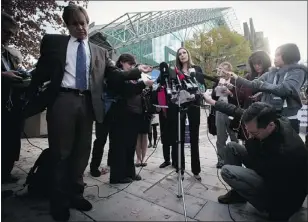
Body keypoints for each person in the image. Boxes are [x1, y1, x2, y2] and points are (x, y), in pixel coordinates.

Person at [26, 5, 152, 222]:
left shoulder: (100, 51)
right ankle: (59, 201)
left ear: (87, 21)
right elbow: (40, 72)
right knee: (61, 153)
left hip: (88, 103)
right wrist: (30, 94)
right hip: (62, 100)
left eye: (83, 23)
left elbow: (113, 76)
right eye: (75, 24)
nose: (81, 28)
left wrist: (136, 71)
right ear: (67, 25)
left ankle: (76, 194)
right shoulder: (54, 43)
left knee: (82, 152)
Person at [202, 93, 308, 221]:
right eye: (247, 131)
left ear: (270, 126)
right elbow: (235, 110)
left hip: (281, 191)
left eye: (254, 133)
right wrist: (212, 101)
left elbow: (283, 187)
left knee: (227, 171)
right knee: (232, 147)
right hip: (266, 166)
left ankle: (262, 204)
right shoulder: (266, 118)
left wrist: (277, 214)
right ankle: (238, 194)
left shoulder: (284, 150)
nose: (249, 135)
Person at [224, 43, 307, 134]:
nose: (274, 58)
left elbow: (285, 89)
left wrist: (263, 86)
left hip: (288, 120)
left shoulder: (298, 72)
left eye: (278, 55)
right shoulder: (271, 73)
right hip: (270, 118)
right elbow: (253, 84)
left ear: (288, 55)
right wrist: (236, 77)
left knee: (286, 147)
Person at [108, 53, 153, 184]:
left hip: (133, 115)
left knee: (130, 145)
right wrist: (143, 84)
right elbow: (127, 90)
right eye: (130, 64)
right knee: (120, 146)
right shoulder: (116, 74)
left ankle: (129, 172)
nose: (132, 67)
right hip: (120, 115)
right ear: (121, 62)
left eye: (134, 65)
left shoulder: (131, 76)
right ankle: (117, 176)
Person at [171, 47, 205, 180]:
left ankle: (196, 169)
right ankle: (181, 169)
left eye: (184, 52)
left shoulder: (197, 69)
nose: (182, 55)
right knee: (179, 138)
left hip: (194, 105)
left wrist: (197, 90)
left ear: (188, 54)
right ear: (178, 57)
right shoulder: (175, 71)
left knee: (194, 137)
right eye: (180, 54)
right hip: (180, 106)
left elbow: (203, 87)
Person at [1, 12, 25, 183]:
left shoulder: (6, 53)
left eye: (12, 34)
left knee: (9, 142)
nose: (9, 37)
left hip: (9, 106)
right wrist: (3, 75)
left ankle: (4, 174)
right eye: (6, 32)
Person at [212, 62, 238, 168]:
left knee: (234, 136)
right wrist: (216, 89)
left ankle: (236, 158)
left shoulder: (235, 81)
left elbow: (240, 96)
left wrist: (231, 93)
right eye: (221, 69)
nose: (222, 72)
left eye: (225, 70)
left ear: (229, 71)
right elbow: (213, 97)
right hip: (220, 111)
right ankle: (221, 159)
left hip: (232, 111)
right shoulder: (217, 81)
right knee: (220, 137)